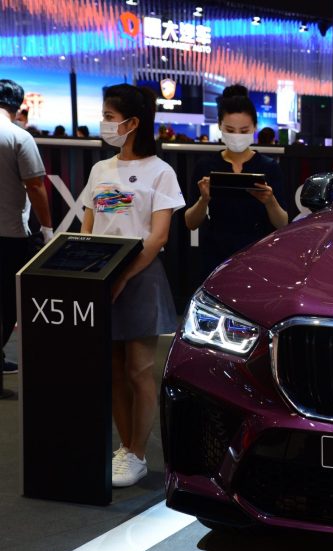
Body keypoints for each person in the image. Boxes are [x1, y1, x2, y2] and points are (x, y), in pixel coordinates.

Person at [78, 84, 185, 486]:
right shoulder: (100, 170)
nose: (104, 122)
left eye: (109, 115)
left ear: (133, 122)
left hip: (140, 276)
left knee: (139, 369)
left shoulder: (161, 171)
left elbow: (157, 237)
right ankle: (124, 447)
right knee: (112, 369)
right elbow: (88, 225)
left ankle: (138, 452)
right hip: (102, 276)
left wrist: (122, 276)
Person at [184, 84, 289, 279]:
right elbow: (190, 222)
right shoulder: (206, 165)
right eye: (230, 130)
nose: (237, 136)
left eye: (244, 130)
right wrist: (203, 200)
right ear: (220, 126)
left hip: (258, 252)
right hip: (215, 253)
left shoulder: (268, 167)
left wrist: (270, 200)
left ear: (254, 127)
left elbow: (282, 223)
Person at [0, 80, 53, 375]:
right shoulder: (18, 137)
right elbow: (35, 186)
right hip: (9, 233)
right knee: (8, 302)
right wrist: (47, 229)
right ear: (18, 106)